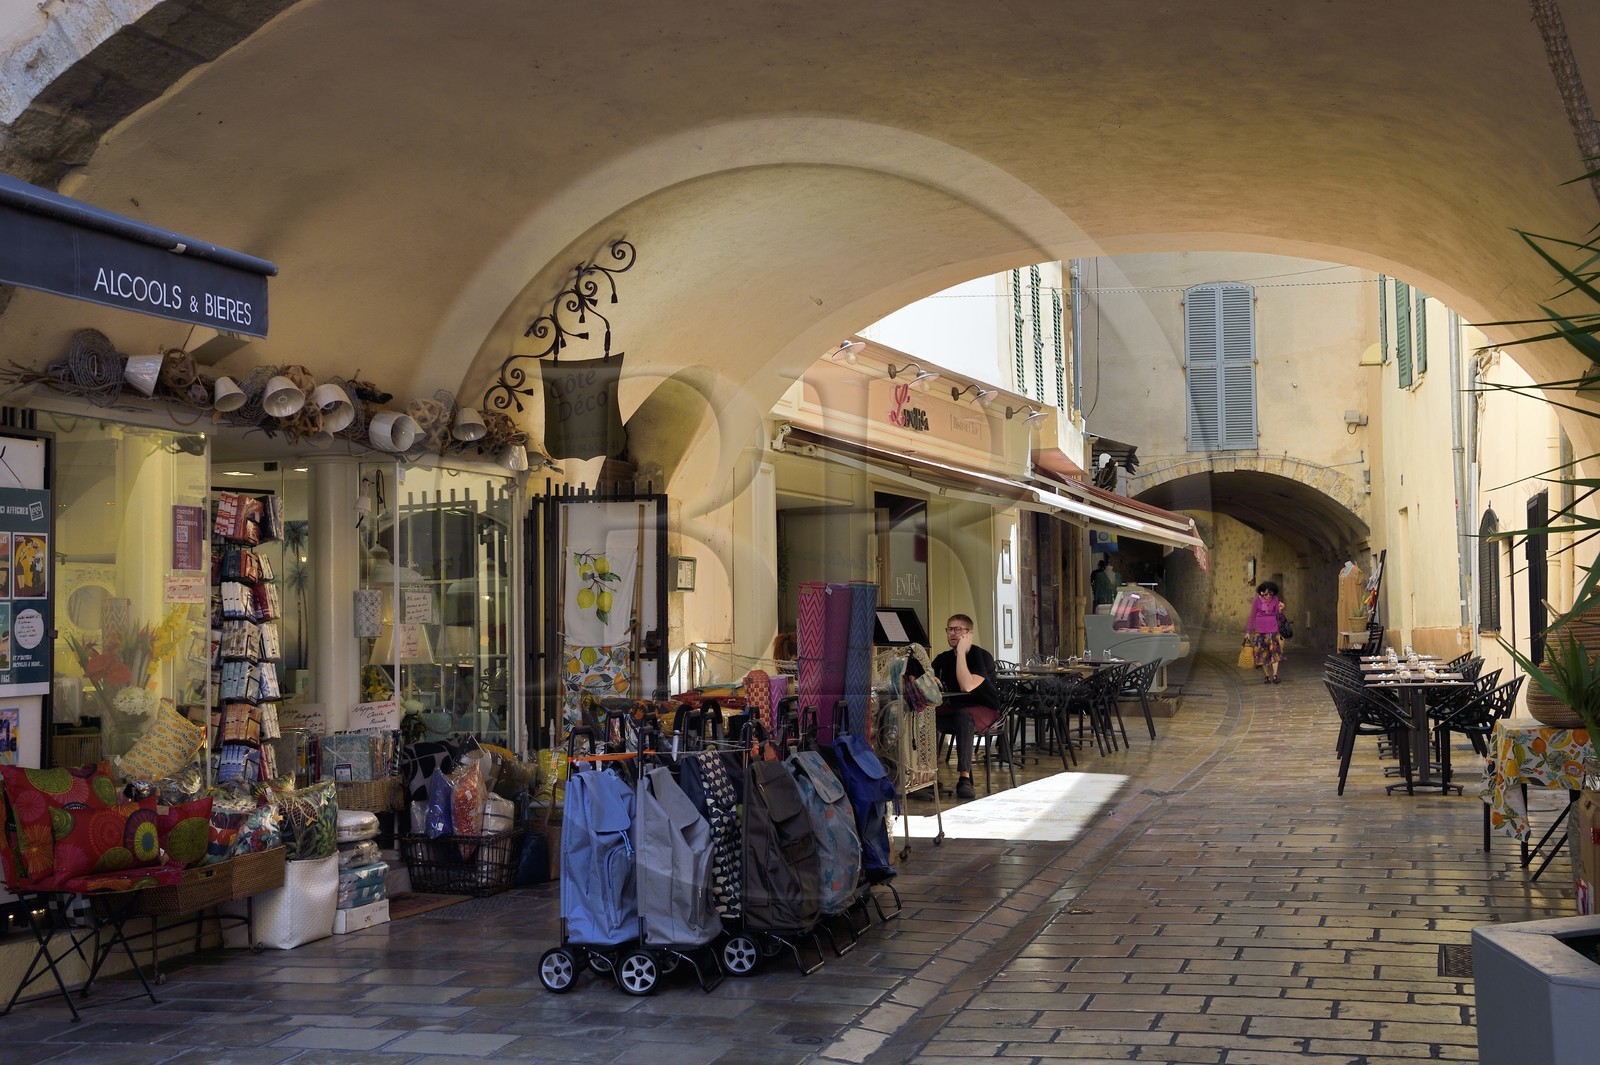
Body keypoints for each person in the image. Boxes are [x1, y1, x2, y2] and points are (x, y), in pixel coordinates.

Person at [928, 614, 1001, 800]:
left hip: (985, 709)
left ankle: (964, 779)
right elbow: (924, 672)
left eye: (958, 629)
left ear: (969, 634)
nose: (952, 633)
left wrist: (961, 653)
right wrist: (929, 679)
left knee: (963, 715)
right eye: (949, 629)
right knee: (926, 715)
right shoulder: (943, 658)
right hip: (956, 709)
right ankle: (927, 776)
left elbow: (966, 685)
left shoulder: (980, 656)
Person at [1246, 580, 1288, 684]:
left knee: (1275, 654)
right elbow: (1252, 616)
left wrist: (1281, 609)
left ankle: (1275, 675)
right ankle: (1266, 676)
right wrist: (1248, 631)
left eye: (1270, 594)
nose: (1268, 596)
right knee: (1262, 655)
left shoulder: (1275, 600)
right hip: (1260, 632)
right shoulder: (1257, 601)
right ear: (1261, 593)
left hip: (1273, 631)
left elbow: (1278, 616)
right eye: (1265, 594)